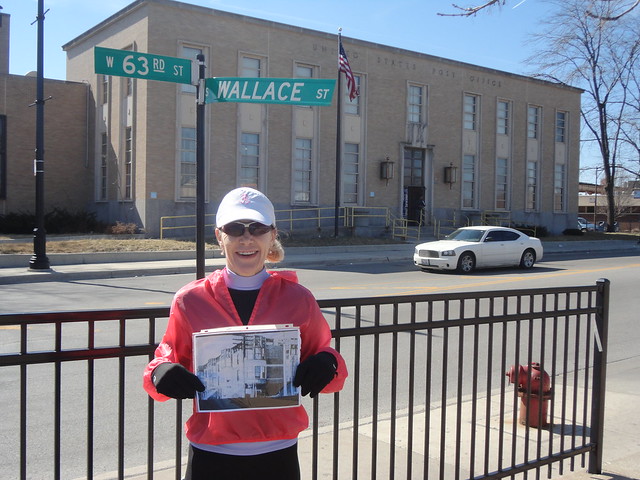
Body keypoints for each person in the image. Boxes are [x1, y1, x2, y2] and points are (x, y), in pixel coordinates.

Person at [143, 187, 347, 480]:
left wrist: (327, 363)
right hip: (211, 456)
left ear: (272, 235)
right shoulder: (189, 299)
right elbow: (165, 357)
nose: (246, 238)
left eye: (258, 228)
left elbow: (327, 358)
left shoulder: (299, 298)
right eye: (235, 228)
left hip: (278, 455)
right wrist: (160, 373)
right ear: (219, 236)